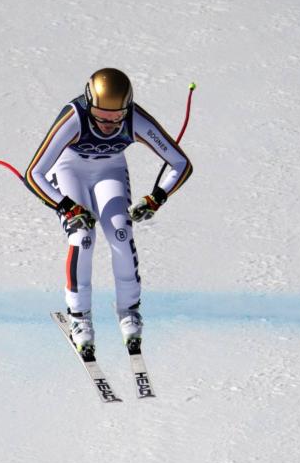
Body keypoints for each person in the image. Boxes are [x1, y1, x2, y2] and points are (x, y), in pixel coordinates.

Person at [23, 68, 193, 354]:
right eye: (100, 117)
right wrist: (65, 205)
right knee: (82, 237)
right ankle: (79, 316)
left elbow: (181, 163)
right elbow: (34, 173)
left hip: (109, 169)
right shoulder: (75, 117)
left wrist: (157, 198)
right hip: (68, 169)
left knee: (121, 234)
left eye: (117, 118)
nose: (109, 125)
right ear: (89, 104)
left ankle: (129, 311)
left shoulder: (135, 119)